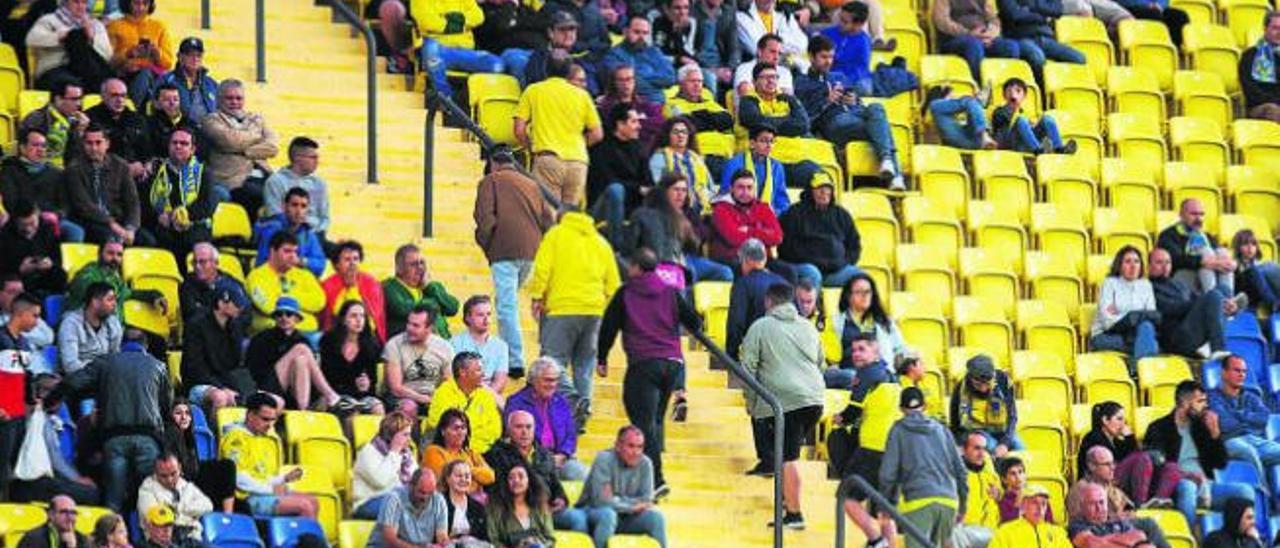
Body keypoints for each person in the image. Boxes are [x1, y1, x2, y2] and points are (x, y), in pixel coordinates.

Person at [598, 248, 702, 495]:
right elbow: (695, 322)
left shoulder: (626, 293)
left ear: (634, 268)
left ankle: (657, 480)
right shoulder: (670, 292)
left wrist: (602, 357)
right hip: (672, 364)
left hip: (644, 363)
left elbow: (608, 326)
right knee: (654, 419)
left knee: (642, 421)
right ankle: (649, 471)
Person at [740, 282, 825, 529]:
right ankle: (787, 503)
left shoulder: (761, 326)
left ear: (769, 302)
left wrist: (752, 402)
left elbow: (747, 368)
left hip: (785, 401)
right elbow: (820, 364)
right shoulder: (808, 327)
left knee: (787, 457)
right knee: (787, 452)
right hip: (814, 398)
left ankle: (795, 514)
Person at [528, 205, 620, 429]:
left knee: (552, 361)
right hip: (594, 312)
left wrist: (537, 296)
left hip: (562, 310)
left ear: (561, 217)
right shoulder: (600, 242)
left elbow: (542, 269)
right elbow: (614, 284)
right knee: (584, 367)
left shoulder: (556, 235)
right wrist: (602, 308)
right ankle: (581, 417)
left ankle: (574, 401)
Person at [53, 339, 171, 512]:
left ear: (120, 350)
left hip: (114, 439)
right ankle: (150, 537)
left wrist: (52, 398)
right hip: (148, 438)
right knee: (151, 500)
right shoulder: (158, 366)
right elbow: (166, 406)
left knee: (113, 500)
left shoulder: (106, 362)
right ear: (144, 350)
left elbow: (74, 382)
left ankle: (110, 535)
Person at [472, 147, 555, 378]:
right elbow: (548, 222)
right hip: (532, 252)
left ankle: (514, 360)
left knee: (506, 305)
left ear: (492, 163)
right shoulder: (532, 184)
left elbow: (485, 218)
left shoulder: (490, 181)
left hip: (504, 250)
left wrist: (487, 244)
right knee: (511, 301)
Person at [795, 33, 904, 190]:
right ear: (811, 57)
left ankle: (887, 161)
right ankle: (896, 175)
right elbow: (804, 120)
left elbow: (857, 100)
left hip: (854, 115)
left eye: (831, 57)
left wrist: (855, 100)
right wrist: (827, 101)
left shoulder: (839, 76)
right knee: (883, 130)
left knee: (876, 108)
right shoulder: (802, 82)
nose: (828, 62)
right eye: (824, 57)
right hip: (834, 123)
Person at [1144, 380, 1256, 527]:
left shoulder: (1201, 427)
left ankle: (1233, 540)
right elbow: (1159, 465)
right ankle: (1187, 538)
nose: (1206, 406)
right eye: (1200, 401)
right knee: (1188, 487)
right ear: (1184, 403)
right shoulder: (1159, 427)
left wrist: (1215, 435)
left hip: (1206, 488)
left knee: (1245, 491)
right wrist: (1191, 477)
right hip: (1176, 486)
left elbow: (1220, 463)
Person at [485, 410, 598, 539]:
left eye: (528, 427)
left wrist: (560, 499)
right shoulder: (496, 455)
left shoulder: (545, 455)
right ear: (508, 430)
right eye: (519, 427)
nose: (524, 432)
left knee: (578, 518)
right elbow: (498, 489)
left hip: (548, 511)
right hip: (517, 511)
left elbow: (556, 485)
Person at [880, 386, 969, 548]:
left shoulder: (898, 430)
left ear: (901, 408)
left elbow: (888, 473)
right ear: (925, 406)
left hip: (918, 500)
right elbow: (961, 471)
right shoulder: (942, 430)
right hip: (948, 500)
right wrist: (962, 505)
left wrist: (887, 504)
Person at [514, 50, 604, 209]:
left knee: (548, 215)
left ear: (545, 68)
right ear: (568, 71)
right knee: (568, 218)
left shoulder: (534, 91)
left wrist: (531, 146)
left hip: (548, 158)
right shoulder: (582, 95)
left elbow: (519, 130)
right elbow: (597, 134)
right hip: (578, 162)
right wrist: (580, 145)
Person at [220, 392, 319, 518]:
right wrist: (271, 490)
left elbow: (264, 476)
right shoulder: (235, 439)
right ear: (250, 415)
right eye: (265, 419)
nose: (270, 425)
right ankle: (306, 537)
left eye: (273, 420)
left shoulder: (267, 439)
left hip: (265, 493)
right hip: (247, 497)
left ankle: (302, 537)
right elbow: (238, 479)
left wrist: (284, 479)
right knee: (304, 506)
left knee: (313, 501)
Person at [245, 296, 348, 411]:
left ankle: (303, 409)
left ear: (297, 319)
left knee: (301, 361)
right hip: (267, 387)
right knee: (301, 349)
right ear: (274, 318)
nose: (284, 318)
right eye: (279, 314)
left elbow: (308, 374)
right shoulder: (262, 338)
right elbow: (254, 370)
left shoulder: (302, 339)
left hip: (292, 391)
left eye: (289, 314)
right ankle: (330, 395)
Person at [8, 376, 100, 504]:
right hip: (31, 482)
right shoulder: (37, 417)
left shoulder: (15, 414)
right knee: (91, 494)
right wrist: (77, 479)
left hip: (18, 483)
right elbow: (55, 460)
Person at [632, 171, 733, 285]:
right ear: (664, 192)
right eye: (676, 189)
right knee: (686, 276)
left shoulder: (688, 212)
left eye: (684, 190)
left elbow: (701, 236)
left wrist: (689, 231)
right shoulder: (649, 213)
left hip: (688, 258)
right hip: (664, 262)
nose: (680, 194)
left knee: (725, 273)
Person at [578, 426, 668, 547]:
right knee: (608, 515)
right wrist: (631, 506)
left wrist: (617, 501)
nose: (636, 452)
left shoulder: (646, 463)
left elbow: (646, 500)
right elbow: (602, 501)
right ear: (618, 446)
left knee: (657, 518)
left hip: (626, 517)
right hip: (593, 512)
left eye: (640, 447)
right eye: (630, 446)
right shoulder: (604, 459)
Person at [201, 79, 278, 218]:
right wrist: (257, 138)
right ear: (219, 100)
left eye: (239, 98)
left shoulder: (256, 118)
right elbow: (229, 141)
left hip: (264, 175)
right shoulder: (211, 120)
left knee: (290, 193)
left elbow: (273, 147)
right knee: (258, 195)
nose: (235, 102)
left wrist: (246, 151)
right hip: (233, 180)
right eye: (229, 98)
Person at [1078, 401, 1179, 507]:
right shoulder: (1094, 438)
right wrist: (1130, 438)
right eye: (1119, 419)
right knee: (1143, 458)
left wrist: (1129, 439)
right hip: (1102, 482)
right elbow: (1106, 467)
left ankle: (1159, 500)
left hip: (1121, 481)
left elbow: (1132, 456)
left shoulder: (1117, 440)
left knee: (1171, 467)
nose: (1123, 425)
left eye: (1124, 420)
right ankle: (1141, 504)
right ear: (1105, 420)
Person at [504, 357, 587, 481]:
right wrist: (544, 459)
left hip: (560, 458)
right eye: (547, 380)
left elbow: (571, 434)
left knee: (582, 475)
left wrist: (563, 454)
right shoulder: (517, 402)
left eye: (555, 380)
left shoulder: (560, 401)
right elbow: (516, 435)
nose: (552, 385)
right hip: (532, 460)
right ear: (533, 380)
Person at [64, 123, 145, 244]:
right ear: (83, 145)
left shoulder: (120, 165)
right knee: (110, 238)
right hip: (90, 221)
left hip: (119, 220)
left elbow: (132, 201)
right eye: (89, 143)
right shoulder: (74, 169)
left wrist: (130, 228)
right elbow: (84, 206)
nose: (94, 148)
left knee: (147, 240)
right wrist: (112, 225)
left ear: (107, 144)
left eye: (98, 142)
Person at [778, 175, 863, 289]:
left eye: (828, 188)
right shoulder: (794, 213)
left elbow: (854, 245)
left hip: (835, 270)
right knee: (813, 274)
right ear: (810, 191)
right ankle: (812, 307)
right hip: (806, 267)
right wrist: (813, 261)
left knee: (861, 278)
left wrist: (842, 262)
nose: (824, 192)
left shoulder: (841, 214)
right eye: (819, 188)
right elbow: (785, 247)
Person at [588, 104, 652, 249]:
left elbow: (648, 182)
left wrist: (648, 190)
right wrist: (638, 189)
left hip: (632, 207)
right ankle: (616, 247)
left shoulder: (639, 148)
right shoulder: (602, 147)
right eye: (634, 122)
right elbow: (606, 182)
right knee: (616, 189)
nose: (639, 126)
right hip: (603, 207)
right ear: (620, 124)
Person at [144, 127, 215, 259]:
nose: (178, 146)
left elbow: (207, 206)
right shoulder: (156, 170)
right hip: (163, 226)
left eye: (184, 143)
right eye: (174, 142)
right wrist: (158, 216)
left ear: (193, 149)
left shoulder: (203, 172)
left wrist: (180, 215)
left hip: (194, 226)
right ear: (168, 146)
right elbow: (144, 202)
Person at [1149, 247, 1233, 360]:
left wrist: (1225, 304)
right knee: (1214, 296)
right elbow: (1171, 309)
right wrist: (1203, 302)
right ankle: (1218, 348)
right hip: (1177, 338)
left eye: (1168, 262)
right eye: (1159, 262)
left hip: (1192, 329)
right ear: (1148, 266)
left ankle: (1230, 312)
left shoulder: (1178, 283)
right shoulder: (1149, 287)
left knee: (1223, 290)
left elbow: (1196, 299)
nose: (1165, 266)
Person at [0, 128, 82, 242]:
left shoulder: (56, 172)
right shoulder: (9, 171)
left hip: (51, 218)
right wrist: (35, 215)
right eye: (35, 145)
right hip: (22, 218)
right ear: (22, 148)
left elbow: (65, 205)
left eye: (43, 146)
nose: (40, 150)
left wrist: (56, 215)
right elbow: (10, 201)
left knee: (75, 231)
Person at [825, 273, 907, 386]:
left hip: (880, 375)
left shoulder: (884, 322)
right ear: (848, 296)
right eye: (859, 292)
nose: (865, 296)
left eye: (868, 292)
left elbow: (900, 349)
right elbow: (830, 362)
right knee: (848, 376)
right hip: (849, 376)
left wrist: (909, 363)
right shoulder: (835, 323)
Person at [1209, 354, 1280, 483]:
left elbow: (1263, 418)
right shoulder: (1212, 397)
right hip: (1226, 441)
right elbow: (1224, 424)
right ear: (1224, 373)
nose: (1242, 375)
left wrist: (1238, 415)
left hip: (1252, 439)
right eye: (1237, 370)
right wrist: (1248, 419)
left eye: (1244, 371)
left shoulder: (1250, 396)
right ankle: (1263, 494)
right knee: (1249, 452)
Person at [416, 0, 502, 101]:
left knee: (497, 64)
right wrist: (463, 24)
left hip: (466, 53)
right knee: (431, 50)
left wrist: (446, 21)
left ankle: (464, 100)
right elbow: (428, 23)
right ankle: (446, 100)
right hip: (441, 52)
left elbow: (478, 16)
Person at [162, 399, 236, 513]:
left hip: (192, 479)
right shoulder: (171, 433)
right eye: (178, 413)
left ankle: (226, 517)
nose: (184, 417)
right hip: (181, 485)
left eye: (187, 413)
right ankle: (227, 516)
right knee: (227, 467)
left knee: (226, 467)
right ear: (170, 416)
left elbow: (194, 467)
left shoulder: (188, 436)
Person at [726, 237, 789, 367]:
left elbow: (736, 322)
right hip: (784, 353)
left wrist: (731, 355)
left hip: (758, 354)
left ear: (746, 260)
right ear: (764, 260)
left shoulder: (743, 284)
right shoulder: (784, 283)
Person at [245, 230, 325, 333]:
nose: (293, 256)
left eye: (295, 252)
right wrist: (300, 308)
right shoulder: (256, 276)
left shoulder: (304, 275)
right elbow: (268, 307)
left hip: (306, 332)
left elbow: (319, 302)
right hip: (270, 334)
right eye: (287, 251)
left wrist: (286, 296)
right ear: (273, 251)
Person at [1090, 245, 1160, 361]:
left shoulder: (1146, 285)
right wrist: (1135, 317)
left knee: (1146, 328)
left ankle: (1137, 368)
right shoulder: (1109, 283)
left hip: (1135, 334)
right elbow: (1108, 322)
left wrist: (1122, 314)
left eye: (1136, 262)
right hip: (1108, 335)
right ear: (1120, 265)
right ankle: (1144, 370)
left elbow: (1151, 316)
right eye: (1128, 262)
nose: (1133, 266)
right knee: (1148, 342)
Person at [382, 305, 454, 416]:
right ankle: (410, 434)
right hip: (402, 398)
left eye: (416, 325)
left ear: (429, 328)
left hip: (432, 396)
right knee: (409, 407)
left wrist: (437, 399)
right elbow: (395, 388)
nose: (409, 328)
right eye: (408, 323)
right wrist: (422, 398)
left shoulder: (444, 347)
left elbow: (448, 382)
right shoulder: (394, 345)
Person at [25, 0, 113, 90]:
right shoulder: (49, 20)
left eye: (84, 3)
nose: (80, 6)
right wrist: (59, 37)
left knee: (110, 83)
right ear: (65, 3)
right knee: (72, 86)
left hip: (86, 69)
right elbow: (31, 40)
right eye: (76, 2)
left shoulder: (95, 25)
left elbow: (107, 54)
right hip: (54, 68)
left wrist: (91, 38)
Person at [1157, 198, 1237, 297]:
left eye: (1201, 214)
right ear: (1181, 215)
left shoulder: (1206, 236)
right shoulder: (1168, 235)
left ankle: (1228, 299)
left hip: (1204, 277)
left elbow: (1219, 259)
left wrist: (1232, 263)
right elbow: (1175, 259)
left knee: (1223, 253)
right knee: (1205, 252)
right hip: (1180, 278)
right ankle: (1213, 299)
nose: (1199, 218)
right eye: (1194, 214)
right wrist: (1201, 261)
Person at [64, 238, 165, 315]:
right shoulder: (88, 272)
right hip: (85, 327)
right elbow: (94, 293)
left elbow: (129, 293)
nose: (115, 258)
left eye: (119, 255)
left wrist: (155, 295)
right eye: (110, 253)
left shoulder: (114, 277)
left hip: (112, 331)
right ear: (99, 254)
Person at [427, 352, 502, 453]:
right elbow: (442, 428)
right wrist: (469, 443)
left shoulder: (486, 395)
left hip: (482, 450)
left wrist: (473, 447)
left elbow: (495, 430)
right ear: (463, 372)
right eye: (478, 370)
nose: (484, 374)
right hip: (449, 450)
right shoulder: (443, 393)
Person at [319, 300, 384, 415]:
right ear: (343, 319)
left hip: (361, 396)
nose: (359, 320)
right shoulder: (329, 341)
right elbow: (326, 377)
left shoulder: (371, 345)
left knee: (377, 407)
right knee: (350, 408)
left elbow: (372, 382)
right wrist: (353, 386)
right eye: (354, 316)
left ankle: (381, 434)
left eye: (362, 316)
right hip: (334, 394)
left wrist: (367, 384)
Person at [382, 243, 459, 340]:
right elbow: (402, 308)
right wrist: (435, 303)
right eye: (413, 264)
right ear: (399, 268)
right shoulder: (388, 287)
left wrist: (429, 287)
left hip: (442, 345)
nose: (420, 267)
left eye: (422, 263)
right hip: (407, 346)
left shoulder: (433, 287)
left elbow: (452, 308)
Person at [995, 0, 1085, 83]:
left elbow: (1058, 9)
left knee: (1079, 59)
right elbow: (1014, 14)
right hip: (1020, 37)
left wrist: (1032, 6)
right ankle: (1043, 94)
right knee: (1037, 57)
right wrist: (1043, 16)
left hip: (1045, 37)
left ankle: (1061, 93)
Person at [950, 354, 1022, 455]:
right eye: (978, 385)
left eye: (987, 384)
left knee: (1020, 448)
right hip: (976, 431)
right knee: (993, 448)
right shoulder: (960, 388)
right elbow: (955, 421)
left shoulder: (1004, 382)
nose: (983, 389)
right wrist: (959, 444)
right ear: (970, 379)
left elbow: (1012, 416)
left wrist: (1005, 443)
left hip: (1001, 429)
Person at [105, 0, 173, 106]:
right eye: (136, 3)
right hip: (124, 76)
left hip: (152, 76)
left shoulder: (159, 27)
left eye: (145, 4)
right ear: (128, 3)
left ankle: (133, 110)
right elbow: (108, 62)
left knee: (145, 74)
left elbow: (168, 63)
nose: (141, 8)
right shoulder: (114, 26)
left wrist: (157, 53)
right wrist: (129, 53)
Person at [352, 411, 418, 520]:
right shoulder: (369, 452)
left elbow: (415, 478)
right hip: (368, 502)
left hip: (395, 500)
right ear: (392, 434)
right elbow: (381, 481)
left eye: (409, 434)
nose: (409, 439)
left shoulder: (406, 454)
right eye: (405, 434)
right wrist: (394, 451)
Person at [263, 137, 330, 243]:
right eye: (313, 157)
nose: (317, 161)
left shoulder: (319, 184)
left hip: (315, 235)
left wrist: (314, 230)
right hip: (287, 236)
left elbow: (325, 218)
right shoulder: (276, 181)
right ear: (297, 158)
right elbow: (274, 214)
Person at [137, 452, 214, 544]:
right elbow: (156, 520)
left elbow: (208, 505)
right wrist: (190, 516)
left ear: (180, 468)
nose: (169, 480)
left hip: (193, 539)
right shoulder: (147, 489)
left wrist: (180, 509)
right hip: (164, 543)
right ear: (155, 473)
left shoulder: (186, 485)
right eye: (163, 476)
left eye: (173, 474)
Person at [932, 0, 1018, 81]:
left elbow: (993, 18)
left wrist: (991, 33)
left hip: (983, 36)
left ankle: (1004, 87)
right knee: (974, 46)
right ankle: (979, 87)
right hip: (954, 39)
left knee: (1010, 47)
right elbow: (941, 21)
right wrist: (968, 33)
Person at [320, 240, 387, 342]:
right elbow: (330, 317)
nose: (352, 263)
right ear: (336, 265)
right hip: (336, 336)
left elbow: (374, 317)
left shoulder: (371, 283)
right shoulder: (328, 285)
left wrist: (353, 288)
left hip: (366, 336)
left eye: (356, 259)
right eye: (347, 259)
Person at [253, 187, 326, 280]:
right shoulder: (271, 230)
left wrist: (301, 261)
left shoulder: (308, 233)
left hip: (297, 282)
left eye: (303, 206)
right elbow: (262, 262)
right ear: (284, 206)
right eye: (294, 205)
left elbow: (320, 265)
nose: (299, 211)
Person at [653, 0, 722, 96]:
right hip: (666, 67)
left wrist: (680, 33)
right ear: (667, 9)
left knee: (709, 77)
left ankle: (710, 107)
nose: (682, 12)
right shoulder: (658, 23)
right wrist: (678, 59)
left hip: (688, 66)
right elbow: (657, 55)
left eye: (686, 8)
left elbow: (690, 52)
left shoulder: (691, 23)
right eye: (677, 8)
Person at [0, 198, 67, 297]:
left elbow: (58, 258)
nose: (28, 229)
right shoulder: (5, 235)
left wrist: (50, 264)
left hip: (44, 273)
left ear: (38, 216)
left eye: (32, 223)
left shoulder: (47, 230)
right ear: (15, 222)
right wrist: (19, 268)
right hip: (20, 277)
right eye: (23, 225)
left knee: (60, 275)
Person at [421, 408, 497, 496]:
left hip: (472, 502)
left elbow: (490, 476)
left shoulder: (469, 453)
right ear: (443, 431)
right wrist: (474, 477)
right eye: (456, 428)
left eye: (463, 428)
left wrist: (469, 471)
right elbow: (447, 481)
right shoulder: (433, 451)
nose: (460, 432)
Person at [990, 78, 1076, 154]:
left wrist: (1031, 126)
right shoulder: (999, 111)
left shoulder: (1025, 112)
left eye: (1018, 91)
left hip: (1026, 144)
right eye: (1009, 91)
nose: (1013, 94)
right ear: (1004, 95)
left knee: (1047, 119)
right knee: (1021, 121)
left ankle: (1059, 149)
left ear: (1024, 96)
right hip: (1009, 145)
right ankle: (1039, 149)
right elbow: (1001, 130)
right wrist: (1011, 109)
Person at [367, 468, 449, 548]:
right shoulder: (394, 499)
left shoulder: (439, 500)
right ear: (411, 485)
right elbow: (390, 539)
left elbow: (441, 535)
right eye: (422, 492)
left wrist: (444, 543)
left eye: (430, 493)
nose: (425, 498)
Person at [603, 15, 677, 103]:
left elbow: (670, 78)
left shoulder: (654, 51)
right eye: (637, 32)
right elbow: (630, 85)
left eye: (645, 33)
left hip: (659, 104)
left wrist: (641, 76)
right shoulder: (613, 55)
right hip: (631, 105)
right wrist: (655, 82)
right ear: (625, 32)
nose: (642, 37)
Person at [595, 65, 667, 154]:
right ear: (614, 82)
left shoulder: (644, 104)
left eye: (629, 79)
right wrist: (642, 123)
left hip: (644, 153)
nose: (625, 84)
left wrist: (629, 123)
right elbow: (611, 128)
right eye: (621, 80)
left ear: (635, 81)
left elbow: (660, 122)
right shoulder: (606, 106)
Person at [717, 127, 789, 216]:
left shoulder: (777, 167)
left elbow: (781, 199)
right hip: (739, 215)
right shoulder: (734, 163)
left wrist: (775, 213)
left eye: (771, 141)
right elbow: (725, 195)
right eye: (763, 141)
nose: (769, 145)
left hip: (769, 217)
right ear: (752, 143)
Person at [19, 79, 89, 169]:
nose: (79, 104)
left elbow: (79, 158)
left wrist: (81, 132)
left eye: (80, 99)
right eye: (74, 99)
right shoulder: (36, 120)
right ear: (58, 99)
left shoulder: (79, 121)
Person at [56, 281, 122, 374]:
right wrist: (102, 370)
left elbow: (115, 356)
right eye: (110, 299)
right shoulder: (70, 324)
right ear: (95, 302)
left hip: (105, 377)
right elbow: (70, 365)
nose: (114, 304)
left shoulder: (113, 322)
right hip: (78, 377)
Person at [86, 77, 149, 172]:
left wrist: (145, 164)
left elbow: (147, 150)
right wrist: (124, 170)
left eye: (123, 96)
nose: (119, 100)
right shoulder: (90, 118)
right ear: (103, 96)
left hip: (137, 174)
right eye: (114, 95)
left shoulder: (137, 119)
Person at [150, 37, 217, 124]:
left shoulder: (211, 83)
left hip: (210, 130)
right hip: (178, 130)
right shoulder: (166, 80)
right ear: (179, 56)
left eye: (198, 55)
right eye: (190, 55)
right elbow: (155, 108)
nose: (195, 59)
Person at [179, 242, 249, 327]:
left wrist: (231, 319)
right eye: (194, 262)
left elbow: (247, 314)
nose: (197, 266)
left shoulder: (231, 283)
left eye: (202, 262)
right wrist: (222, 312)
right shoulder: (187, 284)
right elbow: (191, 316)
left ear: (215, 263)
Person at [450, 295, 509, 395]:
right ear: (467, 317)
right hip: (461, 394)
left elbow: (500, 380)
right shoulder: (454, 343)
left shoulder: (501, 346)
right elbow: (451, 377)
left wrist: (484, 398)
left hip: (489, 396)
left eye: (489, 314)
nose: (486, 319)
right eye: (480, 315)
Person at [486, 462, 556, 546]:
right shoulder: (495, 508)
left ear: (529, 481)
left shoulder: (540, 506)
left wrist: (536, 543)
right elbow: (492, 540)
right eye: (511, 478)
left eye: (521, 476)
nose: (516, 480)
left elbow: (550, 539)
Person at [473, 0, 544, 83]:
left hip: (536, 50)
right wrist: (511, 5)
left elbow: (541, 23)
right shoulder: (482, 9)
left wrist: (516, 23)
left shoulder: (521, 7)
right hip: (506, 53)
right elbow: (501, 25)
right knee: (519, 62)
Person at [1066, 483, 1157, 547]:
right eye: (1092, 504)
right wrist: (1126, 541)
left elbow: (1139, 536)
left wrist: (1102, 540)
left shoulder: (1118, 522)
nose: (1099, 508)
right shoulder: (1077, 524)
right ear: (1082, 507)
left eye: (1101, 502)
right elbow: (1091, 544)